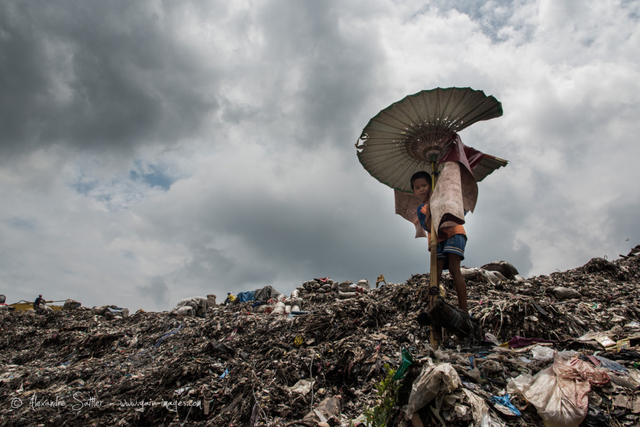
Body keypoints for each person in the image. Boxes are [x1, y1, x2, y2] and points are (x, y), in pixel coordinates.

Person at [411, 171, 468, 314]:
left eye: (424, 185)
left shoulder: (444, 198)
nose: (421, 189)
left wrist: (437, 200)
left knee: (454, 270)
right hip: (436, 241)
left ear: (431, 185)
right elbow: (429, 226)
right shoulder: (421, 209)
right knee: (435, 273)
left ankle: (464, 308)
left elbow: (460, 212)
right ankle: (432, 304)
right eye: (417, 188)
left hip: (453, 233)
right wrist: (430, 204)